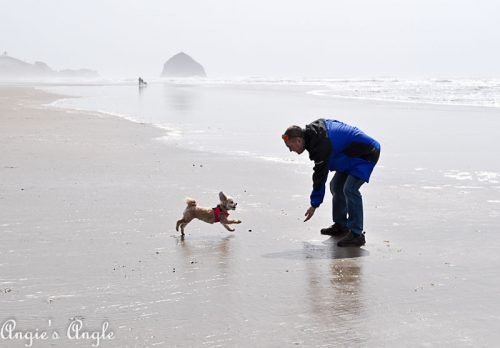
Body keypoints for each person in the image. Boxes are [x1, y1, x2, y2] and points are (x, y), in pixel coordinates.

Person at [282, 119, 380, 247]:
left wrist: (314, 204)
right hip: (349, 155)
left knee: (350, 189)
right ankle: (341, 225)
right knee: (336, 186)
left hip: (366, 153)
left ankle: (357, 234)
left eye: (290, 146)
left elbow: (320, 175)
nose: (290, 150)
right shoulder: (314, 135)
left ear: (298, 141)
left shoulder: (319, 144)